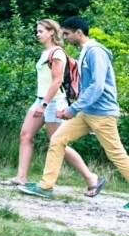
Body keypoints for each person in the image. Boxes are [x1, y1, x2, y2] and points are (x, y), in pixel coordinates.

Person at [19, 16, 129, 199]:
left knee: (116, 154)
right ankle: (45, 186)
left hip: (102, 114)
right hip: (87, 112)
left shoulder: (95, 52)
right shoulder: (85, 51)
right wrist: (77, 108)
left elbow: (97, 86)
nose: (65, 37)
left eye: (67, 34)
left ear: (79, 32)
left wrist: (72, 109)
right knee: (57, 139)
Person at [4, 19, 100, 190]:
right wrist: (41, 103)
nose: (37, 34)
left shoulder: (57, 53)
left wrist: (44, 105)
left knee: (57, 142)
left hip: (54, 102)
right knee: (25, 135)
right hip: (41, 99)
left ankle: (90, 177)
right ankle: (20, 178)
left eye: (41, 31)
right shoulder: (45, 52)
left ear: (51, 32)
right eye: (37, 31)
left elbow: (57, 82)